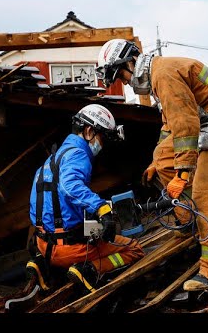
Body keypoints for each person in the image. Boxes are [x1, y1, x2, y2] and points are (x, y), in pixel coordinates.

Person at [96, 39, 208, 292]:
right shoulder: (158, 74)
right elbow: (169, 124)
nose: (124, 83)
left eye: (120, 76)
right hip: (206, 122)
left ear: (129, 62)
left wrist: (182, 173)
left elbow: (186, 127)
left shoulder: (165, 76)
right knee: (162, 158)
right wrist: (157, 163)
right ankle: (189, 219)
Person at [27, 103, 145, 294]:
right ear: (89, 131)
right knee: (134, 248)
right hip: (67, 250)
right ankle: (89, 270)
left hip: (43, 244)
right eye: (102, 138)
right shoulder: (79, 154)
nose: (102, 145)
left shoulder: (54, 158)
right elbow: (69, 186)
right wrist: (101, 209)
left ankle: (42, 264)